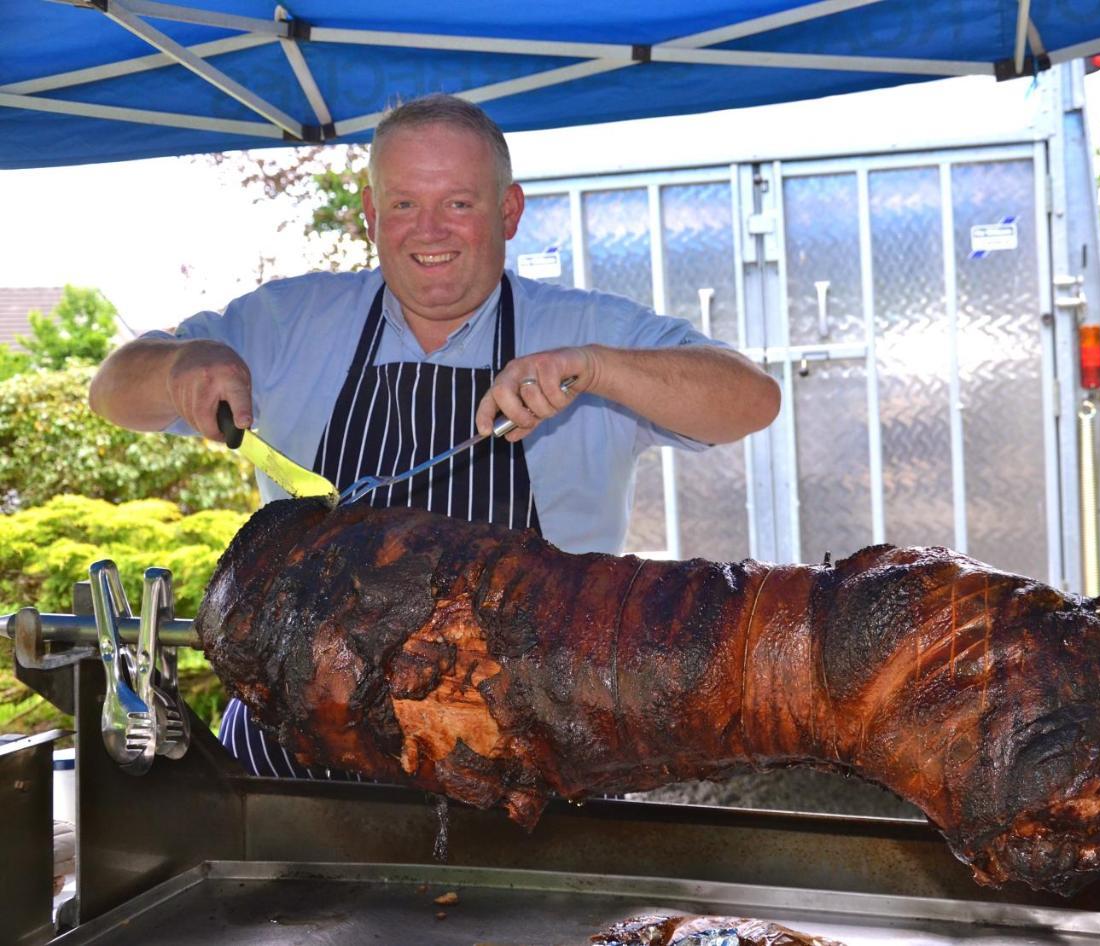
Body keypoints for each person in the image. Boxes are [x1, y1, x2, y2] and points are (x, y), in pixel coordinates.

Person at [89, 94, 780, 779]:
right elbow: (112, 387)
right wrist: (181, 365)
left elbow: (752, 399)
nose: (430, 231)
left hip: (525, 755)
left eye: (459, 203)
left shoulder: (588, 329)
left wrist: (597, 368)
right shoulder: (287, 322)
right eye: (403, 205)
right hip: (299, 756)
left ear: (509, 213)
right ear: (370, 214)